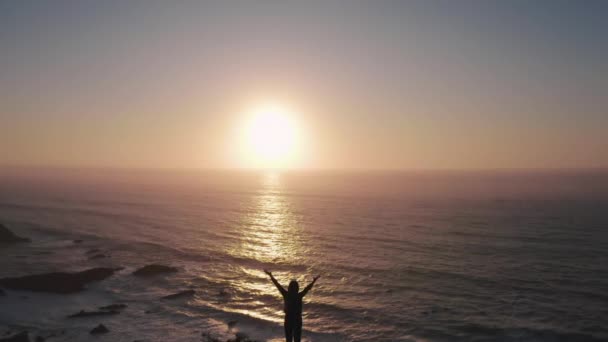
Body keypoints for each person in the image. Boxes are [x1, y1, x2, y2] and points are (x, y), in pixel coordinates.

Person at [264, 269, 320, 342]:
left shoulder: (286, 294)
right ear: (297, 288)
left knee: (289, 339)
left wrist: (271, 275)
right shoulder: (299, 295)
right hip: (297, 319)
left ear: (289, 287)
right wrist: (313, 281)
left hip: (288, 319)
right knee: (297, 339)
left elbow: (277, 285)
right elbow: (307, 289)